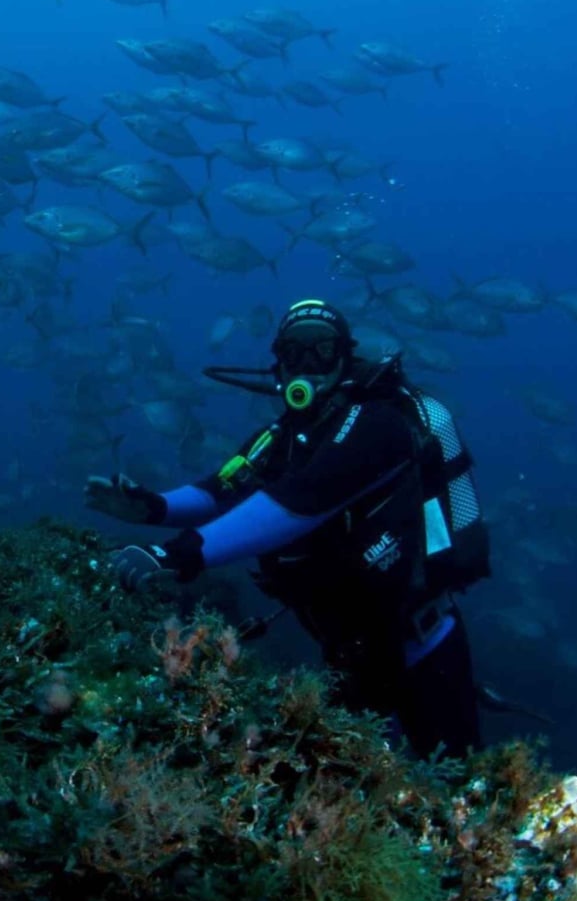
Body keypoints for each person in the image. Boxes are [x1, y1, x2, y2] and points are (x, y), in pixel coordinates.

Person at [86, 299, 488, 759]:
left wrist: (175, 555)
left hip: (424, 649)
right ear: (278, 360)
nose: (308, 366)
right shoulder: (285, 437)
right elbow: (221, 489)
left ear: (344, 357)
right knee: (351, 795)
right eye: (295, 352)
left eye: (322, 351)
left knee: (457, 789)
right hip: (350, 656)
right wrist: (152, 508)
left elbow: (300, 502)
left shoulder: (379, 425)